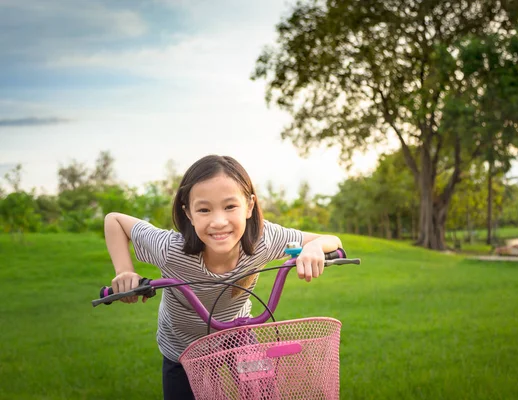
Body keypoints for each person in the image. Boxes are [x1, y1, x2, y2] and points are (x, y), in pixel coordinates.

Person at [104, 154, 343, 400]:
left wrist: (314, 248)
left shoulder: (264, 239)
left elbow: (331, 241)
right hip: (181, 346)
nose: (219, 222)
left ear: (249, 206)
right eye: (204, 209)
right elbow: (114, 221)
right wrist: (124, 271)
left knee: (263, 393)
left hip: (237, 336)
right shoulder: (170, 249)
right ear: (188, 213)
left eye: (230, 206)